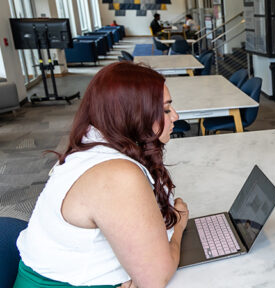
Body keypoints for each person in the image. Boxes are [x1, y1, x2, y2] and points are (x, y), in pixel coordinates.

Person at [14, 62, 188, 287]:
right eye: (165, 110)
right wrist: (180, 227)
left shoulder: (94, 146)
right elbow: (154, 279)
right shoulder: (115, 175)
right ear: (133, 114)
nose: (175, 115)